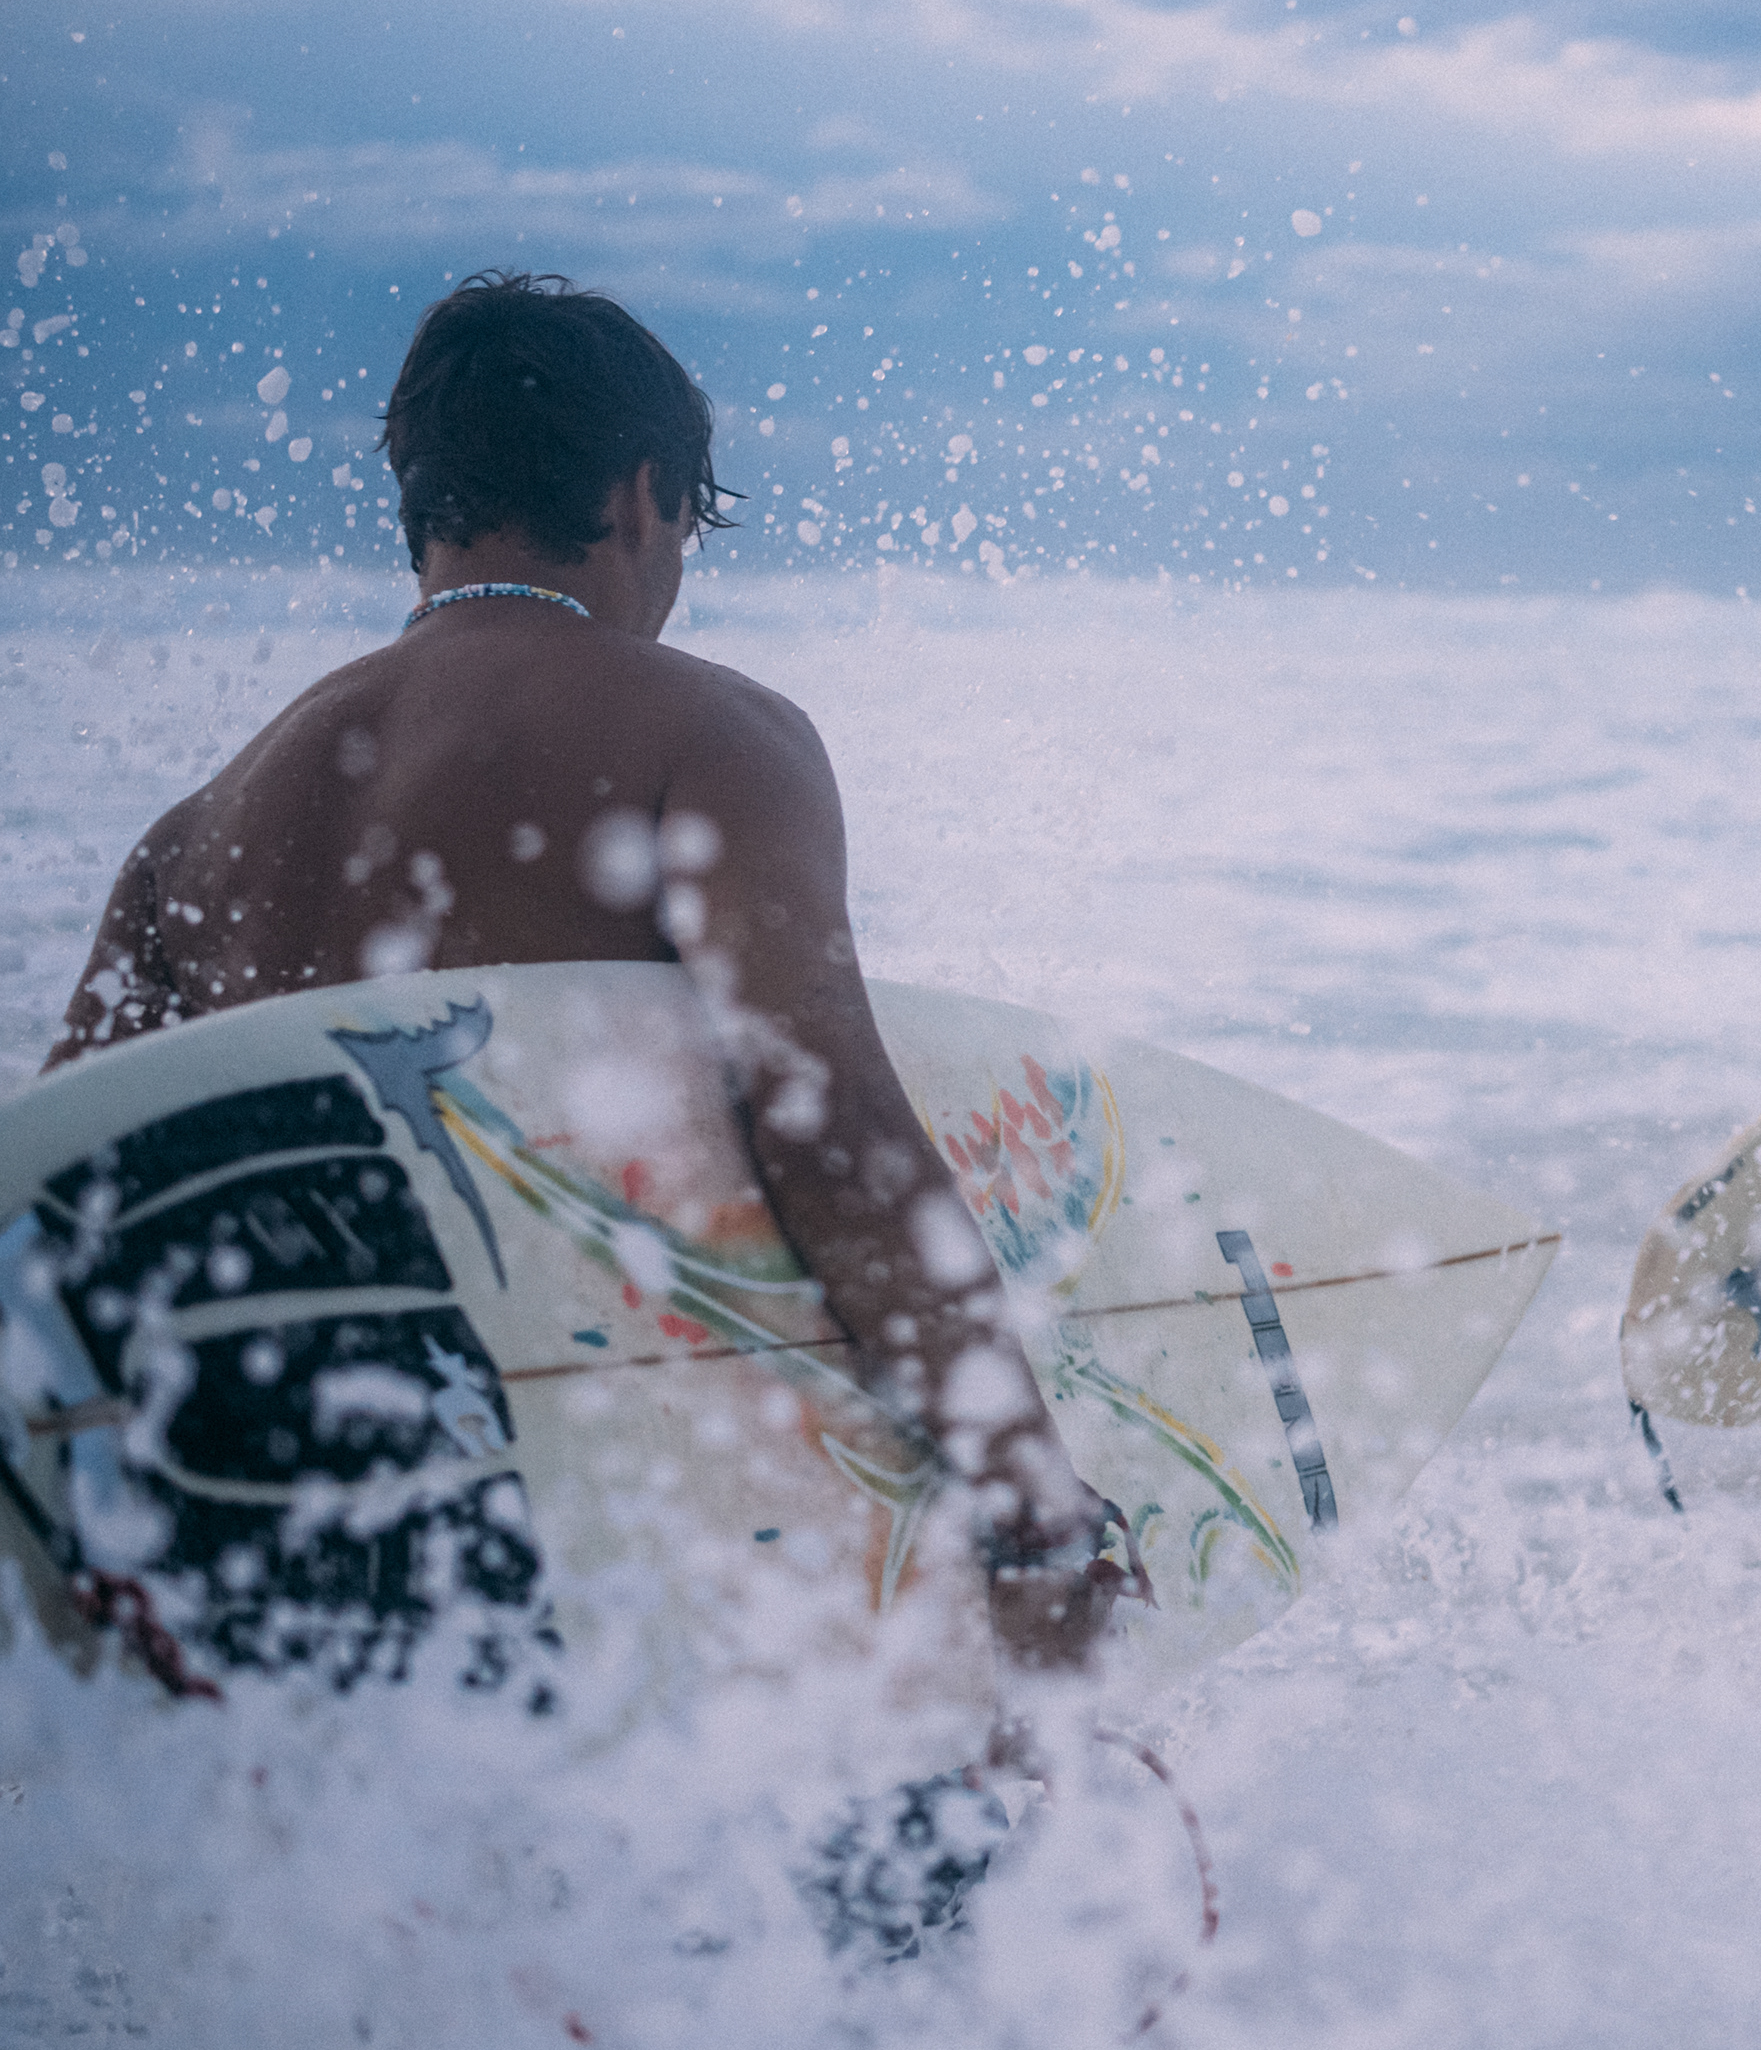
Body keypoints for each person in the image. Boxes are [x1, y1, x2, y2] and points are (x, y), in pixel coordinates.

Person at [44, 271, 1119, 1680]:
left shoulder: (190, 836)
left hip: (262, 1564)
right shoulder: (713, 736)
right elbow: (827, 1127)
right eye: (690, 527)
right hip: (584, 1561)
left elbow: (51, 1222)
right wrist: (1030, 1507)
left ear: (423, 499)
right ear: (640, 495)